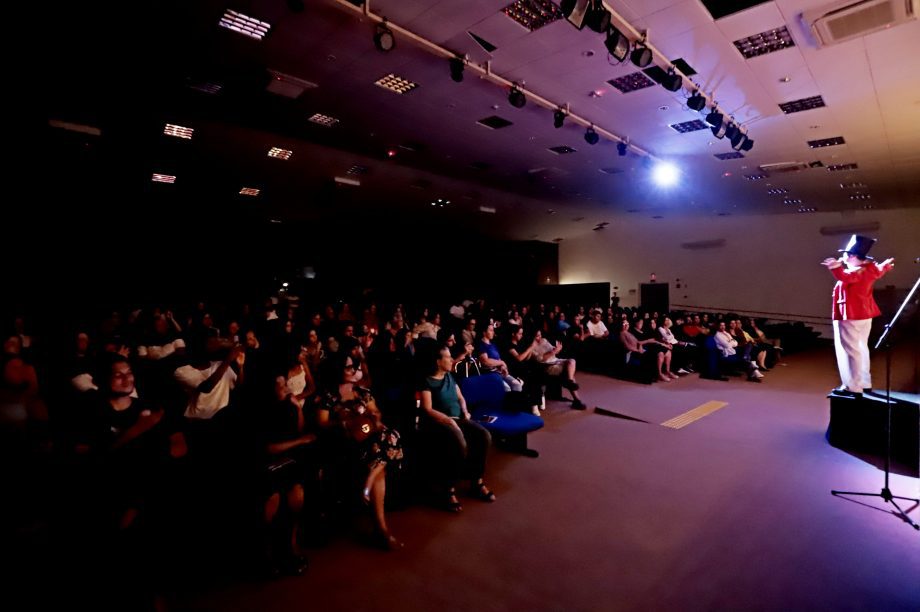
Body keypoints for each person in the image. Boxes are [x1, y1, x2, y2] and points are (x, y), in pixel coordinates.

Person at [821, 234, 895, 396]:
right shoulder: (869, 269)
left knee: (850, 351)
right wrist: (884, 266)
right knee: (861, 349)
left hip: (851, 315)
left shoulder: (856, 272)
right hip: (864, 314)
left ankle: (853, 387)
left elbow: (846, 277)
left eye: (846, 255)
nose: (843, 257)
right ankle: (864, 382)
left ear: (853, 256)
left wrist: (836, 267)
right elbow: (879, 271)